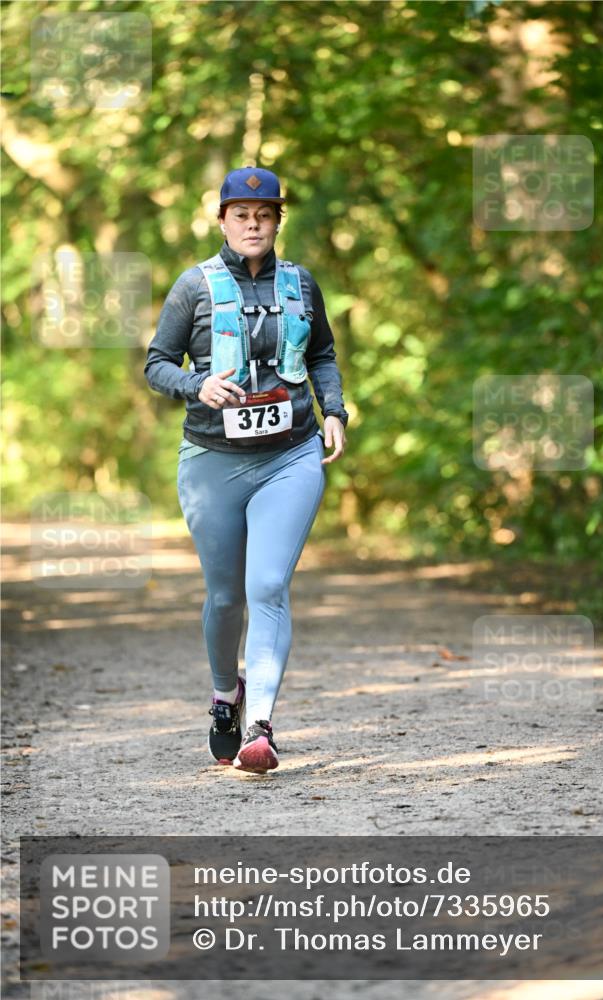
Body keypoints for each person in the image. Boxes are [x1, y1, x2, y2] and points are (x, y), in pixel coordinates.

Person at [144, 166, 349, 774]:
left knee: (267, 586)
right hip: (213, 460)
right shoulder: (194, 286)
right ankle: (224, 694)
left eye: (264, 215)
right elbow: (157, 363)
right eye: (241, 214)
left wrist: (332, 410)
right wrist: (195, 383)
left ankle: (260, 722)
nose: (253, 223)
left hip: (291, 453)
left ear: (277, 220)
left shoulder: (301, 284)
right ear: (224, 221)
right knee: (226, 596)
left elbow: (322, 354)